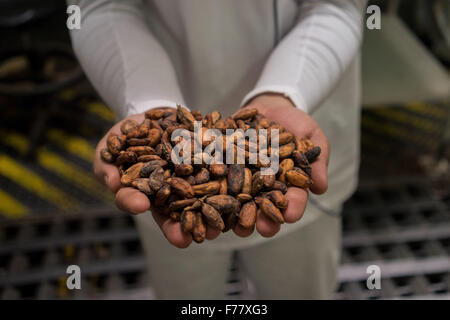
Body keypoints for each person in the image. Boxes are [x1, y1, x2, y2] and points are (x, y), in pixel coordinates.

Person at [68, 0, 366, 299]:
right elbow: (100, 8)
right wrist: (148, 105)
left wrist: (285, 92)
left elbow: (336, 7)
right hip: (164, 167)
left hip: (302, 108)